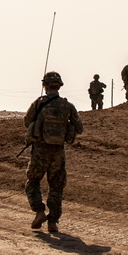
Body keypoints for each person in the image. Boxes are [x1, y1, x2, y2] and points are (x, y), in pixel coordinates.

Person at [23, 71, 82, 234]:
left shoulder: (39, 103)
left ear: (45, 86)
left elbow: (27, 122)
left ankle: (39, 211)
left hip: (40, 150)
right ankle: (53, 222)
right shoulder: (67, 106)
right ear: (60, 86)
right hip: (58, 152)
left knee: (33, 181)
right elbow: (80, 128)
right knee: (56, 186)